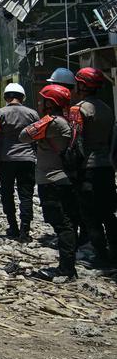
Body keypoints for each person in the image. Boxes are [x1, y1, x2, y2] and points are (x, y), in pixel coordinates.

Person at [21, 84, 79, 282]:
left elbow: (24, 135)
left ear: (50, 103)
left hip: (52, 180)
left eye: (43, 100)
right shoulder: (64, 121)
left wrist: (42, 120)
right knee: (67, 224)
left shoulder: (52, 122)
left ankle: (66, 270)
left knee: (62, 225)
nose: (39, 103)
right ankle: (68, 267)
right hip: (61, 179)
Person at [72, 67, 117, 265]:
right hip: (107, 167)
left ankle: (101, 256)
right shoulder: (107, 109)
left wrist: (74, 169)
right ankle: (115, 253)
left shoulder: (78, 109)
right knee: (108, 213)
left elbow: (77, 143)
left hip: (88, 169)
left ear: (82, 85)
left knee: (91, 216)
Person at [0, 83, 38, 242]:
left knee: (7, 193)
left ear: (5, 97)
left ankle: (13, 227)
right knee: (26, 195)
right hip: (28, 160)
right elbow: (37, 139)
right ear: (23, 97)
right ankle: (25, 230)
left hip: (6, 161)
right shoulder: (33, 114)